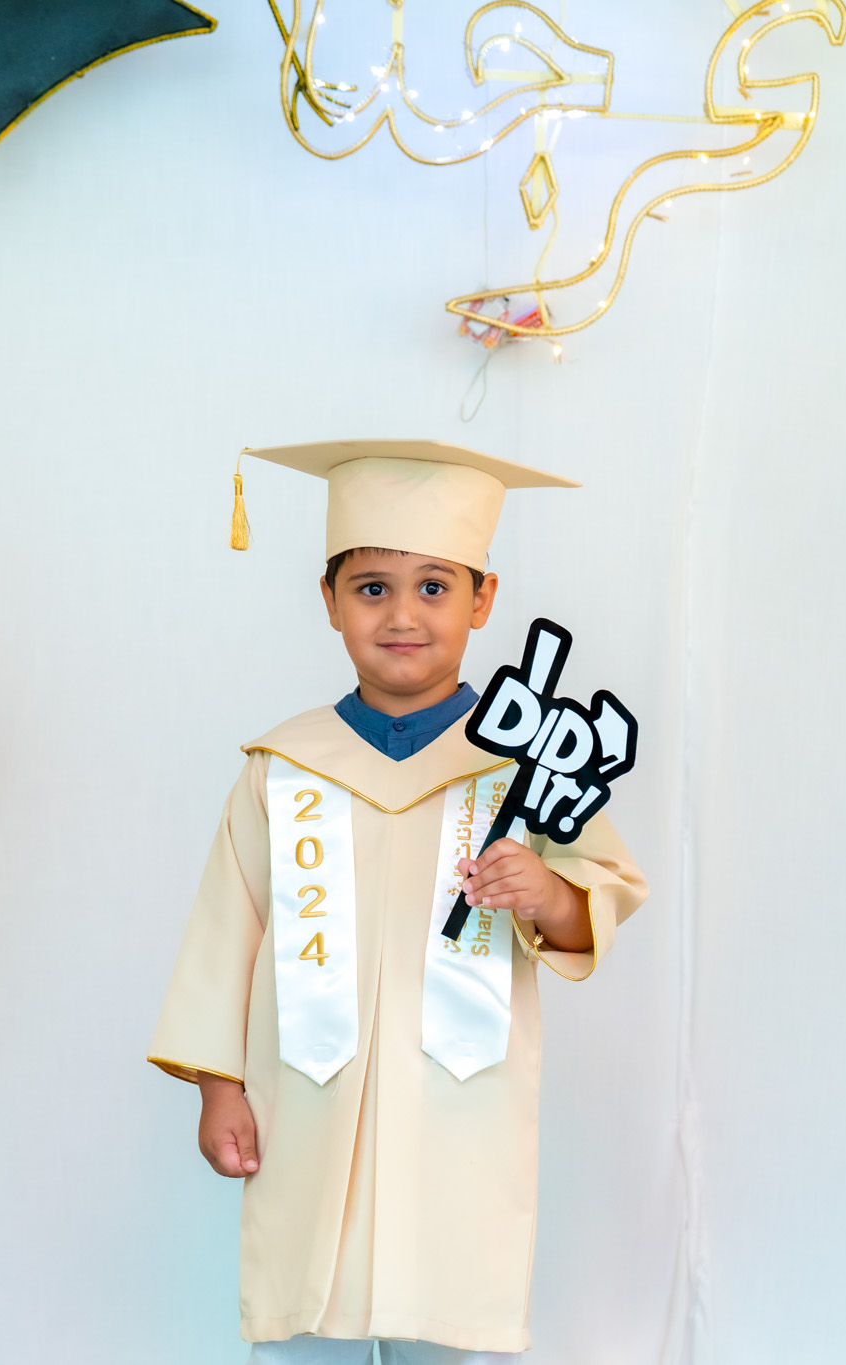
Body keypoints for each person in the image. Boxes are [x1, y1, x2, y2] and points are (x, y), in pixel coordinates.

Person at [149, 439, 647, 1363]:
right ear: (330, 599)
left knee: (448, 1313)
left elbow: (598, 903)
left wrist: (545, 890)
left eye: (435, 586)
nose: (403, 614)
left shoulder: (526, 763)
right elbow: (227, 933)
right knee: (310, 1320)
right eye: (372, 587)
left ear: (482, 599)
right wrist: (219, 1087)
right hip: (306, 1108)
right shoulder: (283, 767)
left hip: (461, 1110)